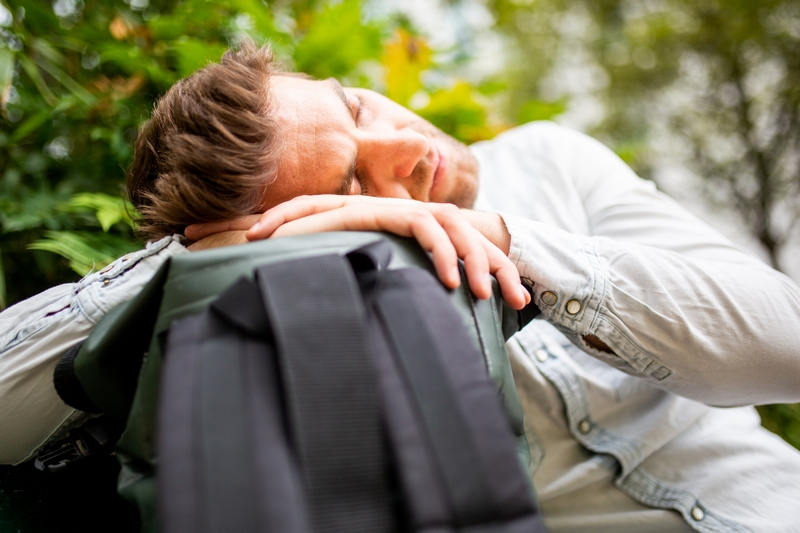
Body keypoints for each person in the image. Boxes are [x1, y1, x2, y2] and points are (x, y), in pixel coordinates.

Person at [2, 39, 800, 532]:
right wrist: (190, 260)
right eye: (351, 182)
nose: (406, 146)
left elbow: (786, 342)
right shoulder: (297, 307)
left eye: (354, 104)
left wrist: (516, 248)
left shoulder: (548, 160)